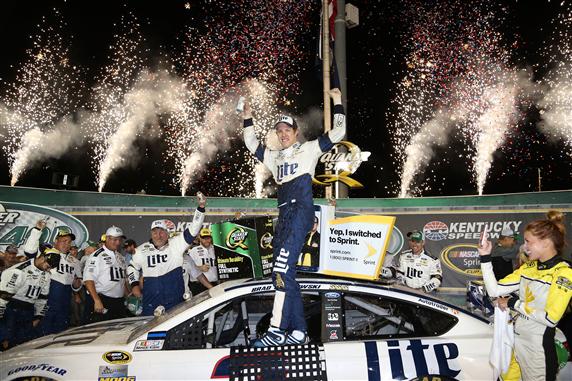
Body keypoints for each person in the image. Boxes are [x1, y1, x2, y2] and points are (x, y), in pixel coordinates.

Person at [242, 88, 346, 347]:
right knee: (284, 275)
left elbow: (338, 132)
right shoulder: (275, 156)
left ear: (296, 131)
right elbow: (251, 143)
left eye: (288, 129)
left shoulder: (309, 149)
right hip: (283, 214)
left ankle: (277, 331)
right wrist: (247, 118)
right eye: (280, 130)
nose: (283, 133)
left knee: (280, 271)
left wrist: (337, 102)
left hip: (300, 210)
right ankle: (299, 331)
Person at [478, 210, 572, 381]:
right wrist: (485, 257)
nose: (525, 247)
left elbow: (551, 318)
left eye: (529, 242)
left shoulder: (564, 272)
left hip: (538, 350)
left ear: (546, 243)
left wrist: (513, 303)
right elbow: (494, 290)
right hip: (515, 342)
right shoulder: (528, 268)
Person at [127, 193, 207, 316]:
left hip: (174, 302)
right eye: (155, 232)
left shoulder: (176, 244)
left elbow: (194, 229)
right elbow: (132, 267)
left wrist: (201, 208)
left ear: (167, 233)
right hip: (150, 303)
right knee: (148, 334)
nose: (158, 235)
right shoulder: (141, 250)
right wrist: (134, 286)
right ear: (151, 234)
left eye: (161, 232)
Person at [22, 221, 82, 336]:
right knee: (41, 332)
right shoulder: (46, 252)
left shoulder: (75, 262)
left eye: (69, 242)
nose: (67, 244)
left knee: (60, 333)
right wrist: (37, 230)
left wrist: (76, 285)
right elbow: (29, 250)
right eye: (63, 241)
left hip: (65, 301)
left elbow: (77, 286)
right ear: (56, 241)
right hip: (47, 297)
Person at [0, 250, 60, 349]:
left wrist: (38, 317)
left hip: (28, 311)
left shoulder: (47, 275)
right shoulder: (18, 271)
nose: (49, 269)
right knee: (6, 344)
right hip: (11, 309)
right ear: (42, 258)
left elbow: (43, 298)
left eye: (52, 267)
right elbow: (3, 297)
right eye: (49, 265)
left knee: (24, 344)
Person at [83, 226, 128, 322]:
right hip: (102, 300)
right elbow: (88, 280)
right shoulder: (96, 256)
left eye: (119, 240)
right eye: (115, 239)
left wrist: (128, 297)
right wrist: (97, 300)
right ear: (107, 239)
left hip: (118, 302)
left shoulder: (120, 257)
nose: (118, 243)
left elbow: (122, 281)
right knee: (98, 333)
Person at [187, 228, 218, 295]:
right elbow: (187, 267)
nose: (206, 240)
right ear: (200, 238)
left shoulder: (216, 249)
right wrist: (199, 268)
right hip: (199, 285)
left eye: (208, 238)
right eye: (204, 238)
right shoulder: (193, 250)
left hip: (215, 283)